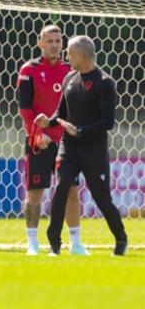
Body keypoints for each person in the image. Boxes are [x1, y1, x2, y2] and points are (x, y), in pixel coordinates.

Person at [35, 35, 128, 256]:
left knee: (101, 197)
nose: (65, 56)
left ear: (80, 55)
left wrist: (81, 131)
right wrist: (48, 121)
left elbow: (108, 122)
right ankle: (54, 245)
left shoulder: (104, 82)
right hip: (70, 147)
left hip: (93, 148)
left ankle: (121, 239)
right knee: (61, 189)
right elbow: (62, 112)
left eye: (68, 52)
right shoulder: (69, 78)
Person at [17, 25, 86, 255]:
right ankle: (33, 243)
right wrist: (38, 134)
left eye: (58, 41)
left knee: (72, 192)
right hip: (39, 141)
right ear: (40, 43)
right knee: (35, 193)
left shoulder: (72, 70)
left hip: (67, 143)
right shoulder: (29, 69)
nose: (55, 45)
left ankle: (75, 244)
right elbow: (25, 108)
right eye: (50, 41)